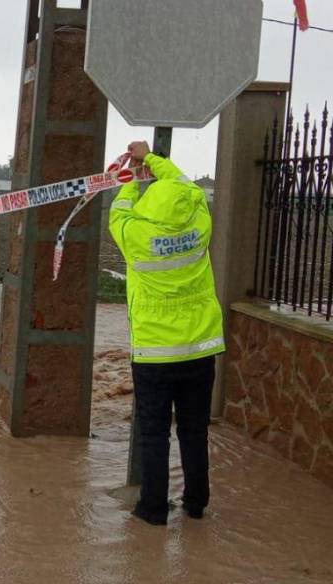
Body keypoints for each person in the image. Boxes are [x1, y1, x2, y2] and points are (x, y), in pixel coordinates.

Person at [109, 141, 226, 526]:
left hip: (154, 354)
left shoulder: (134, 233)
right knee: (195, 430)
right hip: (200, 348)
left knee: (154, 434)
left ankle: (153, 509)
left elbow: (119, 208)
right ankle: (196, 503)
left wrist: (130, 175)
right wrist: (154, 159)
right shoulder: (198, 218)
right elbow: (182, 182)